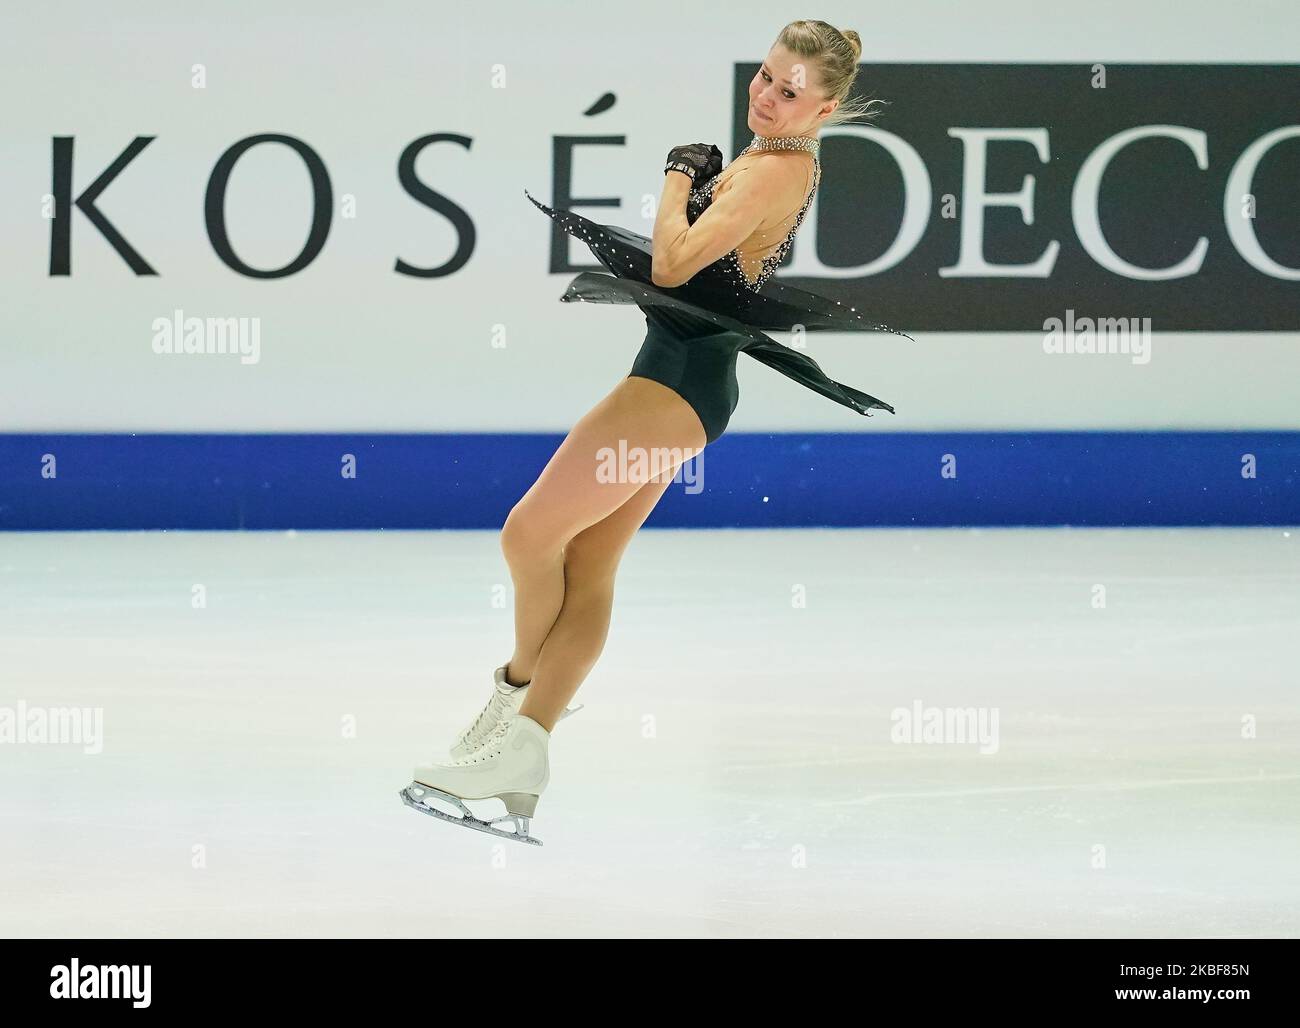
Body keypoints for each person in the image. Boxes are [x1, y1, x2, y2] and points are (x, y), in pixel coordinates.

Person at [401, 20, 910, 845]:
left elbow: (671, 264)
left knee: (529, 535)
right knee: (588, 559)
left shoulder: (778, 168)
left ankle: (514, 708)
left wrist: (677, 175)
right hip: (687, 382)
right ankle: (523, 748)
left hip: (675, 384)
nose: (769, 97)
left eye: (791, 91)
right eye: (766, 77)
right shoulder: (770, 159)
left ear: (824, 108)